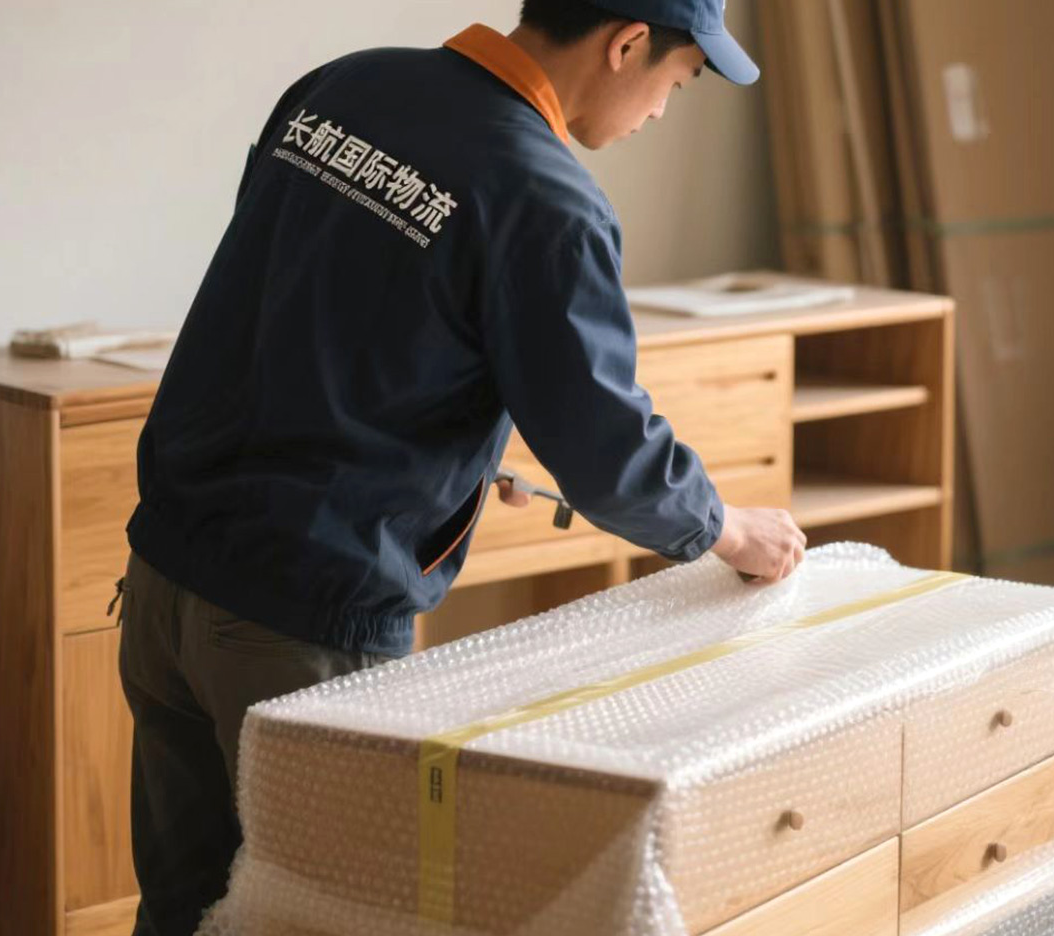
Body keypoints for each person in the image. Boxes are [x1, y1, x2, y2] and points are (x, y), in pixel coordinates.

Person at [116, 1, 806, 932]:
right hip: (302, 622)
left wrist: (455, 451)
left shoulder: (345, 85)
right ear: (628, 43)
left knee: (182, 908)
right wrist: (726, 528)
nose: (659, 111)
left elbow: (309, 300)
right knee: (328, 917)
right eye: (677, 84)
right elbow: (606, 450)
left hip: (164, 577)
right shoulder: (549, 200)